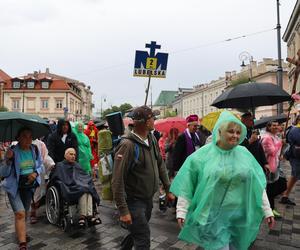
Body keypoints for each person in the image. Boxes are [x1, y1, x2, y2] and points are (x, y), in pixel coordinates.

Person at [170, 111, 274, 250]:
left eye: (238, 132)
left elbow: (256, 184)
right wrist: (182, 210)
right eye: (231, 131)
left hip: (239, 214)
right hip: (213, 216)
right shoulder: (203, 155)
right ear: (220, 131)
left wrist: (267, 210)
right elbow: (188, 182)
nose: (235, 135)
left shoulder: (244, 154)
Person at [112, 105, 173, 250]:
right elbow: (117, 180)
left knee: (136, 232)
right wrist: (123, 210)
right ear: (145, 122)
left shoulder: (151, 138)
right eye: (152, 118)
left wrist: (168, 189)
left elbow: (160, 164)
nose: (154, 121)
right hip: (133, 202)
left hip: (148, 199)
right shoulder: (127, 145)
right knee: (143, 238)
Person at [0, 127, 43, 250]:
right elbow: (3, 173)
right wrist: (8, 160)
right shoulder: (12, 150)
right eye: (24, 136)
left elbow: (40, 165)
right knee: (20, 213)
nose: (28, 139)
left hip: (29, 186)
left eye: (30, 136)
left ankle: (21, 232)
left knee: (24, 212)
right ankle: (22, 244)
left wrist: (35, 173)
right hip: (14, 187)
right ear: (18, 138)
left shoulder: (34, 149)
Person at [50, 148, 101, 227]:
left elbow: (83, 176)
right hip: (69, 187)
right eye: (71, 154)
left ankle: (89, 215)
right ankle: (83, 216)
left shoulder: (77, 164)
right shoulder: (60, 165)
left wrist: (86, 181)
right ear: (65, 155)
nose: (73, 156)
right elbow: (57, 178)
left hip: (79, 185)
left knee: (88, 189)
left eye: (74, 155)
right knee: (84, 189)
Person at [30, 138, 55, 224]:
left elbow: (45, 157)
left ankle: (33, 212)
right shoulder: (19, 144)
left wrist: (51, 165)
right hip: (26, 172)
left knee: (37, 192)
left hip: (38, 172)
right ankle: (30, 212)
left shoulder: (40, 144)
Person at [261, 121, 283, 217]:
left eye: (276, 125)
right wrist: (280, 143)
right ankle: (269, 209)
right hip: (269, 166)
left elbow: (277, 152)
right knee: (270, 189)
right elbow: (272, 151)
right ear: (268, 127)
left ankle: (270, 208)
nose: (275, 127)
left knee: (272, 188)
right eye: (273, 125)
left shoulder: (276, 137)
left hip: (275, 165)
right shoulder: (266, 138)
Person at [280, 115, 300, 206]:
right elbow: (296, 140)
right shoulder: (295, 130)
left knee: (294, 177)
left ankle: (285, 195)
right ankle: (284, 195)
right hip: (295, 157)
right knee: (294, 175)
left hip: (295, 156)